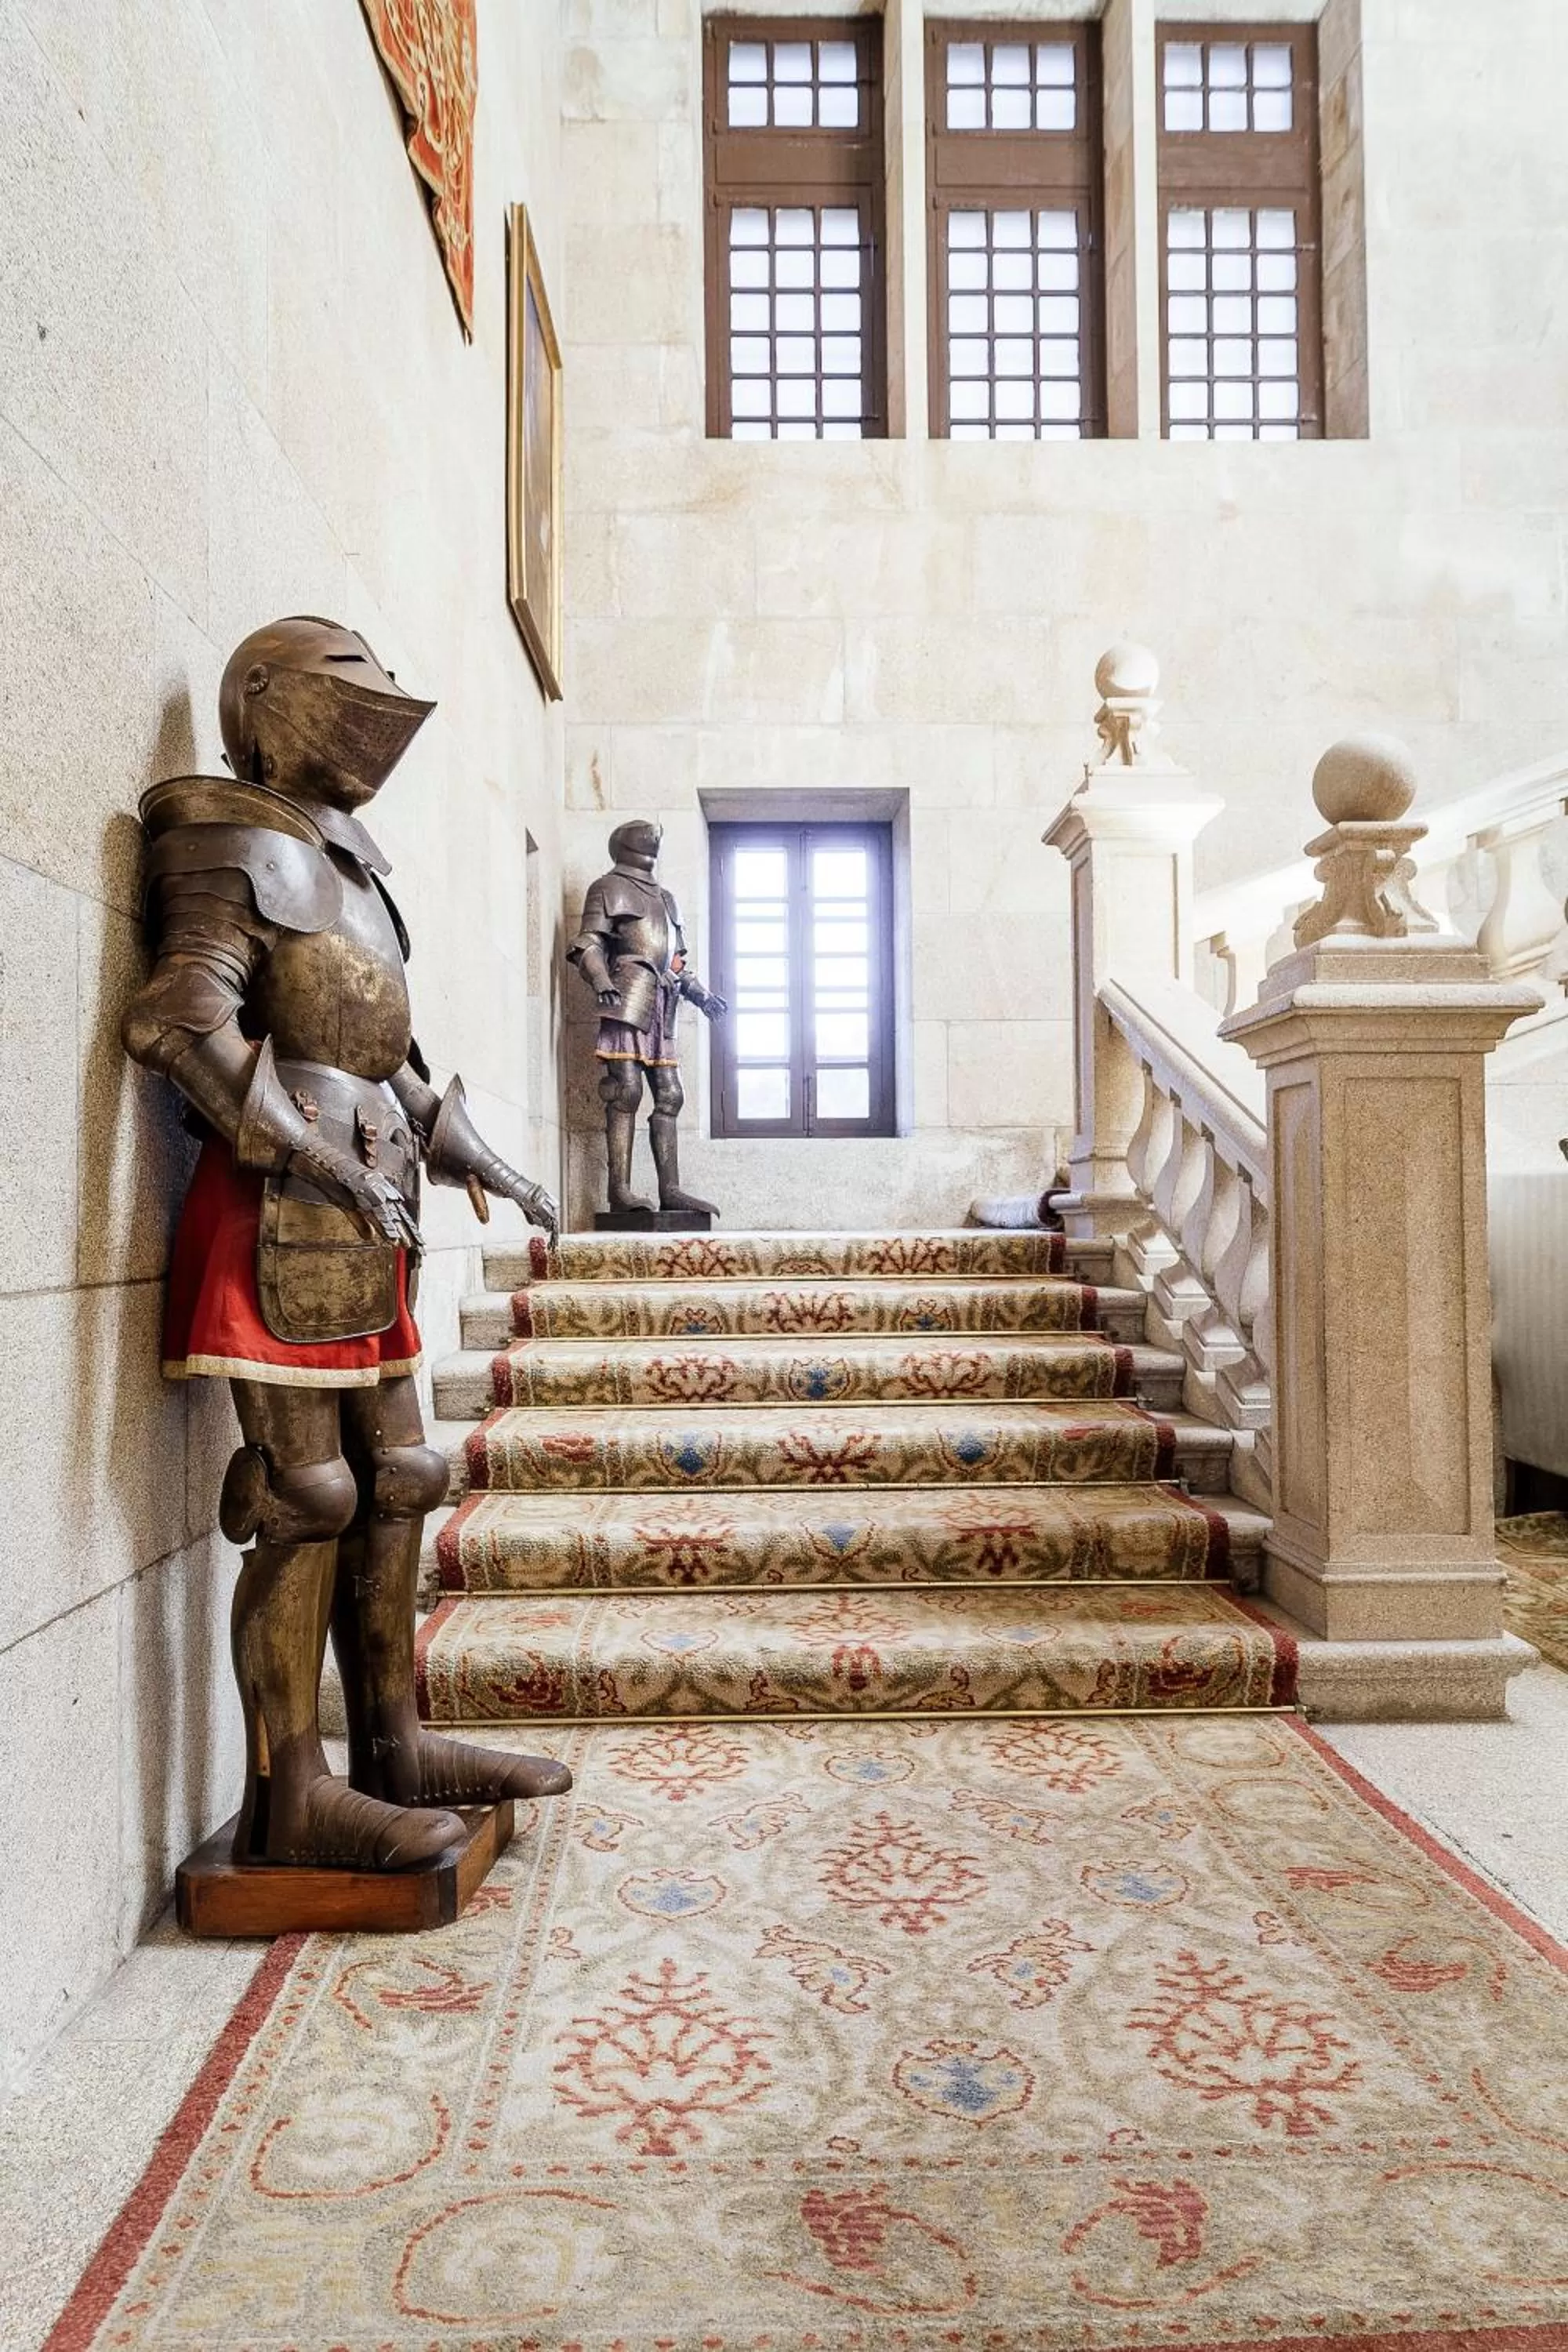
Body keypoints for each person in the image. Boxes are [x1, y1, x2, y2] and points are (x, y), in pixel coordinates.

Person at [123, 615, 570, 1873]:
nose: (373, 728)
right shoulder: (225, 836)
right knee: (307, 1497)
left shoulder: (353, 870)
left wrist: (473, 1152)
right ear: (263, 699)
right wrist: (309, 1154)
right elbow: (180, 1019)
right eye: (346, 696)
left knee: (405, 1479)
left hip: (366, 1202)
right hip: (276, 1204)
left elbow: (389, 1063)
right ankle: (290, 1791)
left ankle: (393, 1741)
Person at [568, 820, 728, 1214]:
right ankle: (618, 1192)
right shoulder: (606, 887)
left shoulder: (668, 899)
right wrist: (601, 977)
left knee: (671, 1095)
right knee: (626, 1091)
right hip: (626, 993)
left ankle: (669, 1190)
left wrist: (703, 997)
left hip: (663, 1001)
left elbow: (675, 963)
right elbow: (588, 943)